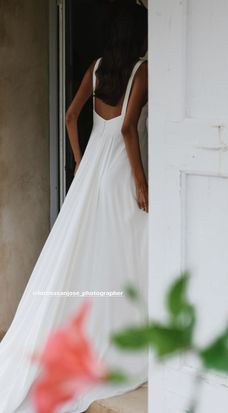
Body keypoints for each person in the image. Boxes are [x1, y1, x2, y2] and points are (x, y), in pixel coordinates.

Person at [0, 3, 148, 412]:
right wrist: (141, 181)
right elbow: (129, 129)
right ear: (137, 34)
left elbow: (70, 116)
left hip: (92, 171)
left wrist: (81, 161)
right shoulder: (143, 71)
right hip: (120, 169)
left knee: (81, 250)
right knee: (126, 251)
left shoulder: (97, 67)